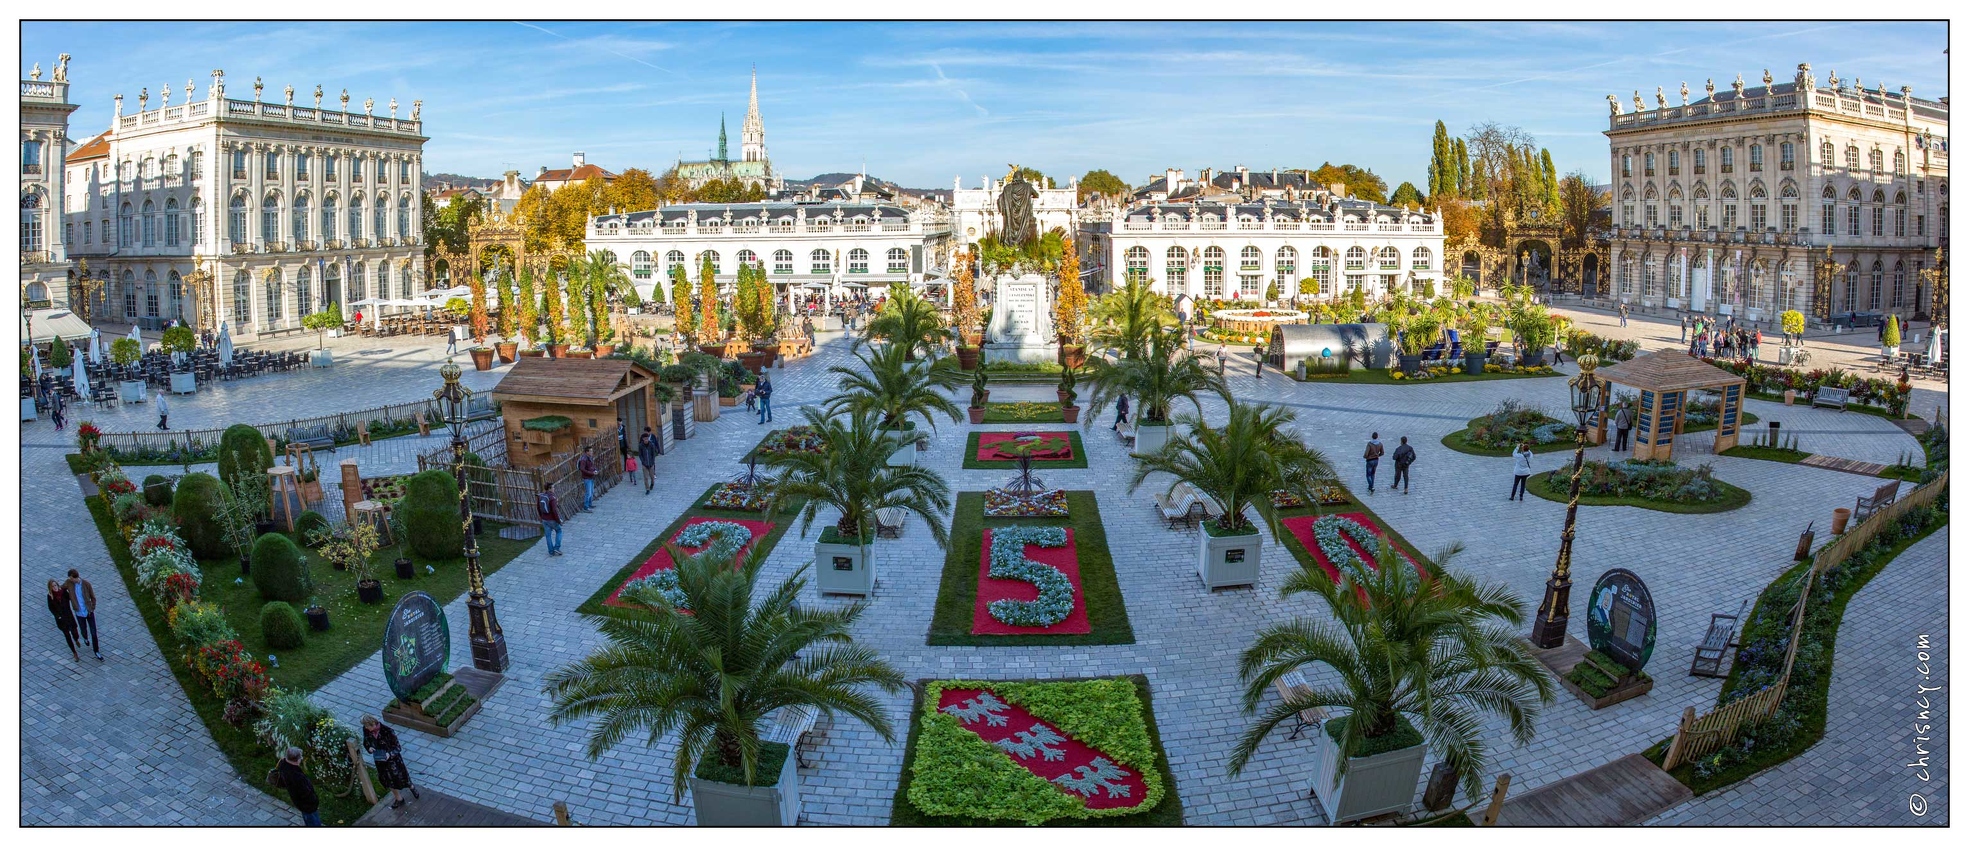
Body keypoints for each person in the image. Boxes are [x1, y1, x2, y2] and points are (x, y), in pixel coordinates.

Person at [361, 716, 420, 809]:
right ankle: (399, 798)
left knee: (401, 777)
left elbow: (398, 747)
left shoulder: (388, 731)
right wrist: (369, 748)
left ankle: (411, 786)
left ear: (373, 724)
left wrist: (390, 754)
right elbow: (366, 742)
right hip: (380, 761)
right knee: (387, 780)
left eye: (367, 726)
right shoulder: (366, 730)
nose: (366, 728)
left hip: (393, 761)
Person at [268, 747, 321, 826]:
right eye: (300, 757)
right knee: (313, 822)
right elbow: (305, 793)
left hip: (298, 801)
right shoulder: (297, 777)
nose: (301, 758)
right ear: (297, 760)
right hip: (307, 805)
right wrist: (314, 801)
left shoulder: (283, 763)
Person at [65, 569, 101, 661]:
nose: (70, 580)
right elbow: (61, 589)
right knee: (83, 629)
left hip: (88, 611)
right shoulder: (69, 583)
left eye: (71, 578)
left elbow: (93, 597)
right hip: (79, 612)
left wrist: (92, 607)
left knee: (93, 632)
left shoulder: (86, 584)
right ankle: (85, 637)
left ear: (75, 577)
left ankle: (96, 651)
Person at [47, 579, 80, 662]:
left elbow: (70, 597)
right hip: (61, 619)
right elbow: (51, 608)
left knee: (74, 631)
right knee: (67, 636)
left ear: (57, 585)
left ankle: (76, 639)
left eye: (55, 585)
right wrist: (58, 616)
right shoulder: (50, 596)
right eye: (52, 586)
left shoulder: (63, 592)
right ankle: (74, 652)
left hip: (69, 616)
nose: (54, 587)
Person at [537, 486, 564, 556]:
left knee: (548, 536)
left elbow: (538, 507)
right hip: (552, 520)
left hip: (544, 520)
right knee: (559, 531)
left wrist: (541, 517)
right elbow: (554, 511)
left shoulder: (541, 496)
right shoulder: (552, 498)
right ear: (549, 489)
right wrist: (558, 521)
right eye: (553, 487)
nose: (554, 488)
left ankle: (551, 552)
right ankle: (557, 548)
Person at [637, 427, 660, 494]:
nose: (646, 440)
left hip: (651, 463)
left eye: (647, 439)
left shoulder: (651, 445)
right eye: (645, 439)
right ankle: (647, 489)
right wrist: (643, 462)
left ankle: (652, 484)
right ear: (643, 439)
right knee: (646, 478)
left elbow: (653, 454)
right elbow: (640, 455)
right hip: (645, 464)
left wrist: (652, 462)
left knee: (652, 477)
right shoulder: (641, 446)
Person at [576, 447, 598, 512]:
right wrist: (591, 473)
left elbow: (592, 466)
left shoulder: (590, 458)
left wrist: (595, 470)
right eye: (590, 451)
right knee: (588, 493)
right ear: (587, 452)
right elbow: (582, 469)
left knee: (591, 492)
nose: (592, 452)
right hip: (587, 478)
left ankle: (590, 504)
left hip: (591, 476)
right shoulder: (584, 459)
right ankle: (586, 507)